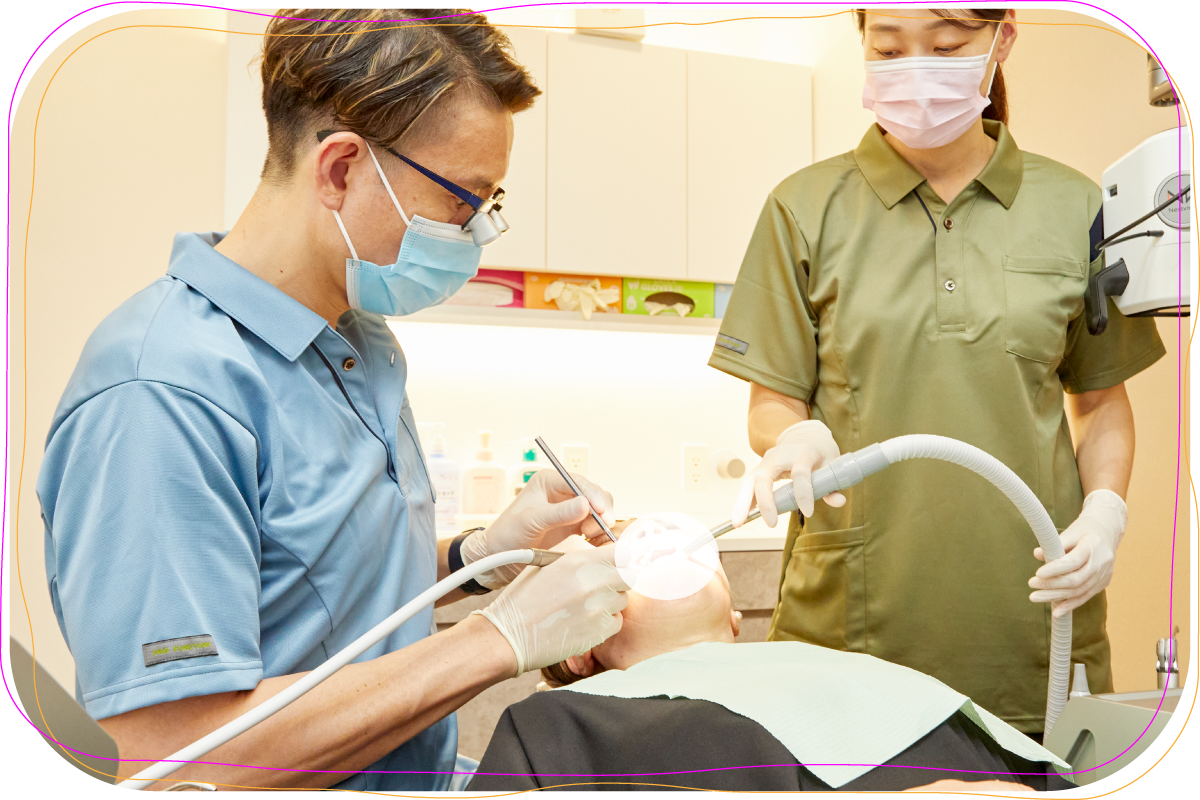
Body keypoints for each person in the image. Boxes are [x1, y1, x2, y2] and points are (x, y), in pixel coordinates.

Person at [36, 9, 630, 792]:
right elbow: (175, 760)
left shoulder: (360, 340)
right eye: (464, 200)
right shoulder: (161, 397)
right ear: (342, 169)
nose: (478, 232)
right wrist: (498, 638)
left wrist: (478, 557)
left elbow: (319, 587)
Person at [710, 7, 1166, 741]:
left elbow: (1102, 399)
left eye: (947, 45)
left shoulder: (1077, 206)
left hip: (1029, 625)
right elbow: (773, 399)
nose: (916, 69)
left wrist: (1105, 513)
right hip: (851, 626)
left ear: (1002, 38)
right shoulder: (804, 208)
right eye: (888, 50)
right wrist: (790, 440)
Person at [466, 536, 1074, 792]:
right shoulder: (558, 726)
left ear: (735, 620)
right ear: (581, 647)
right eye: (620, 552)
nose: (655, 543)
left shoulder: (849, 666)